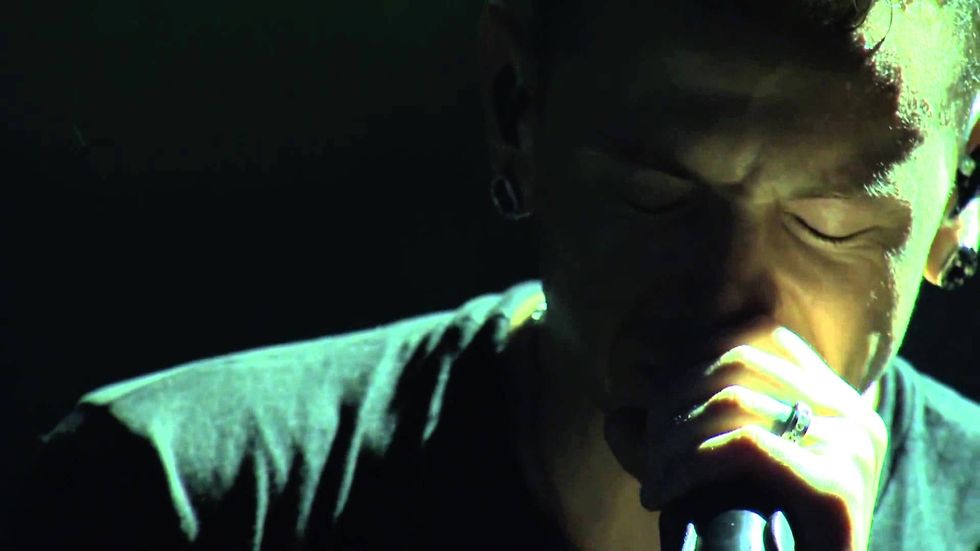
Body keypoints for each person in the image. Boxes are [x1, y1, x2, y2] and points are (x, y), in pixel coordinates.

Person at [9, 0, 980, 549]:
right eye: (653, 196)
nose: (727, 293)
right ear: (517, 112)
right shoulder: (174, 496)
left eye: (830, 224)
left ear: (959, 198)